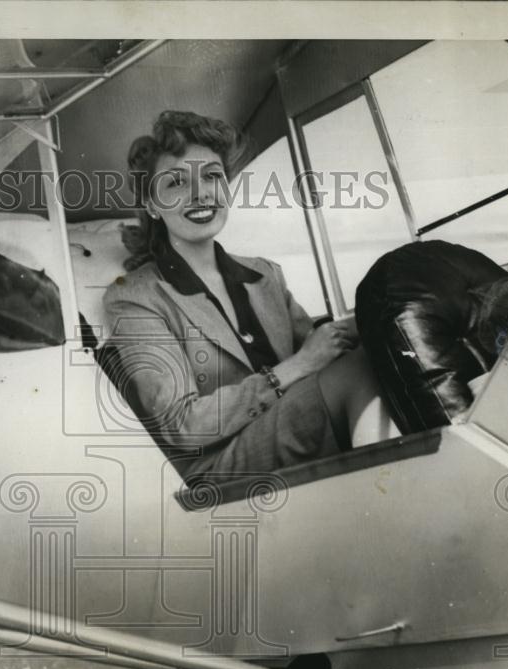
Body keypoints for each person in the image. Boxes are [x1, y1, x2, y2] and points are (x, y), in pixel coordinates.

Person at [102, 111, 399, 483]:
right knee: (357, 371)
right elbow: (184, 425)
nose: (200, 193)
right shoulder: (135, 297)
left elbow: (320, 348)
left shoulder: (264, 273)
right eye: (176, 182)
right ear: (152, 205)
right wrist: (292, 369)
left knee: (385, 337)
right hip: (220, 466)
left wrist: (376, 318)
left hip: (290, 427)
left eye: (212, 176)